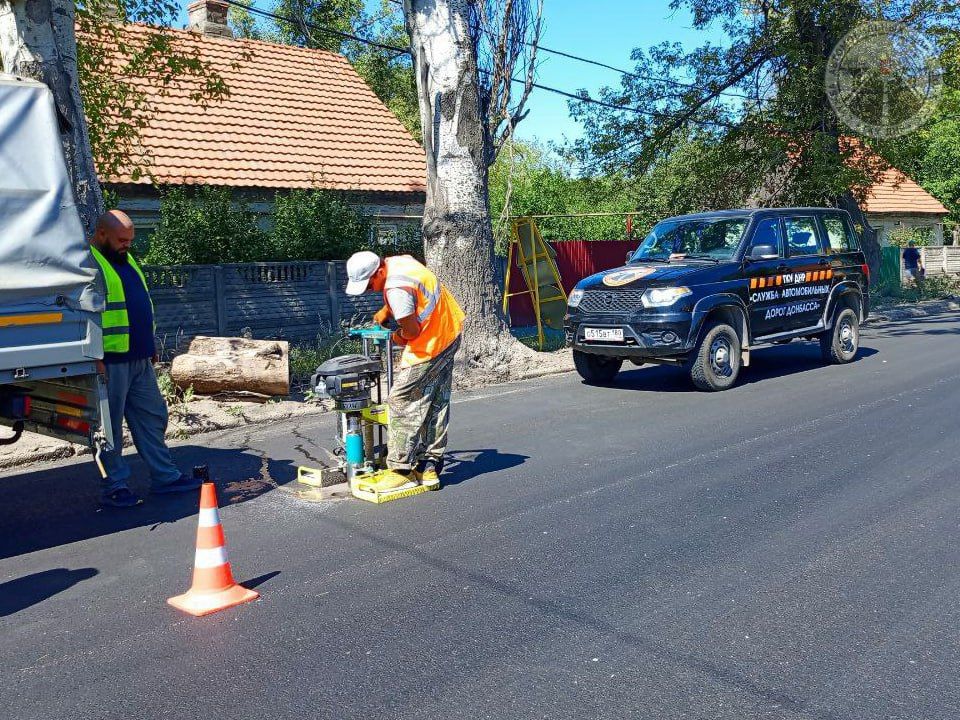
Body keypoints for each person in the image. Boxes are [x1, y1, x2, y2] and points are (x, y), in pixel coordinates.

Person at [90, 210, 200, 508]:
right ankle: (115, 486)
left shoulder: (126, 260)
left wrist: (150, 343)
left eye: (130, 240)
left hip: (139, 357)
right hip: (109, 362)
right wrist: (93, 358)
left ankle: (165, 478)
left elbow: (140, 304)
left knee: (152, 416)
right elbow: (83, 314)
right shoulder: (89, 264)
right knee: (108, 428)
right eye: (121, 240)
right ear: (101, 235)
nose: (127, 245)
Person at [344, 251, 464, 491]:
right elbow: (410, 292)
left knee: (400, 399)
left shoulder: (396, 289)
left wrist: (397, 336)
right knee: (435, 400)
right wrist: (386, 312)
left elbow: (412, 332)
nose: (370, 290)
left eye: (370, 285)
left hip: (430, 343)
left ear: (379, 272)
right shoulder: (400, 262)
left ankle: (401, 469)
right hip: (449, 331)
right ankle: (430, 467)